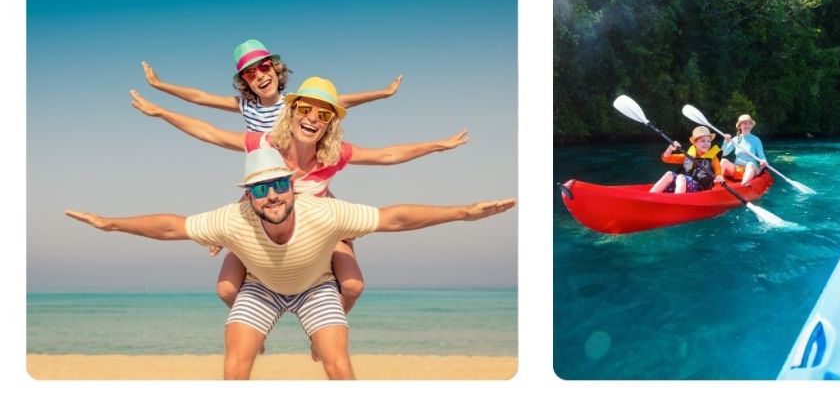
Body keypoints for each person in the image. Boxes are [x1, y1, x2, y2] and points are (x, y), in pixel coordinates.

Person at [65, 148, 516, 380]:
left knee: (337, 365)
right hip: (261, 289)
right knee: (235, 365)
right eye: (261, 189)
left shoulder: (324, 212)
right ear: (249, 195)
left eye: (279, 184)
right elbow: (171, 226)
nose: (273, 195)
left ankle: (318, 339)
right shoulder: (233, 218)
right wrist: (110, 224)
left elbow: (393, 217)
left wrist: (463, 212)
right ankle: (257, 337)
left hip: (316, 287)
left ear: (291, 185)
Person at [129, 77, 468, 315]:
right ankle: (251, 318)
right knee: (226, 290)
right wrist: (162, 112)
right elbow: (209, 132)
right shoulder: (265, 144)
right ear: (291, 113)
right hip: (268, 225)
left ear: (330, 123)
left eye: (323, 115)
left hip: (320, 228)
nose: (312, 119)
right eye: (305, 109)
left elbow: (388, 155)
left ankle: (334, 322)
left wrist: (437, 145)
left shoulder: (333, 154)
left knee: (353, 286)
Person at [142, 38, 401, 132]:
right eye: (250, 74)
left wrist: (384, 93)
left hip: (297, 169)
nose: (260, 77)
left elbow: (341, 100)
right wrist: (160, 85)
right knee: (233, 224)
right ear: (245, 82)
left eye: (264, 68)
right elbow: (200, 97)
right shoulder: (246, 105)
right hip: (263, 170)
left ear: (276, 71)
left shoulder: (293, 104)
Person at [649, 126, 725, 194]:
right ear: (695, 143)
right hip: (683, 184)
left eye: (708, 141)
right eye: (703, 141)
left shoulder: (713, 158)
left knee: (681, 177)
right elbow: (666, 158)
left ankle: (676, 203)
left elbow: (719, 173)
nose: (706, 144)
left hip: (699, 188)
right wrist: (670, 149)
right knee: (669, 174)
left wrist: (719, 178)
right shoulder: (689, 156)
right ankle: (651, 196)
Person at [718, 114, 768, 186]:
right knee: (723, 161)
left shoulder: (756, 140)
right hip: (738, 169)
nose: (747, 126)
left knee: (750, 164)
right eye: (745, 123)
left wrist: (763, 161)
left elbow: (762, 156)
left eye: (749, 124)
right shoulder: (735, 139)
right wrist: (725, 142)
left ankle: (743, 185)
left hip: (752, 169)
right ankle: (719, 182)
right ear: (740, 126)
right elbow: (724, 153)